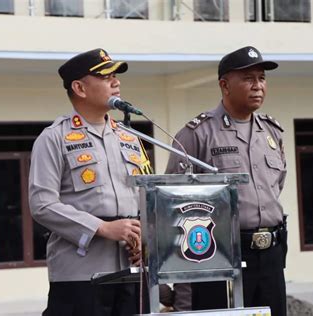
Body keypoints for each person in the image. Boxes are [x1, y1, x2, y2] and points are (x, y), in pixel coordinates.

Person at [166, 46, 288, 315]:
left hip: (271, 255)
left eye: (262, 78)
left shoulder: (271, 131)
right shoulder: (197, 134)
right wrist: (183, 286)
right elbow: (172, 207)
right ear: (224, 85)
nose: (258, 86)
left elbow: (275, 187)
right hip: (219, 256)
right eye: (248, 79)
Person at [29, 48, 151, 315]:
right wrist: (103, 228)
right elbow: (42, 205)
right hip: (81, 274)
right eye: (106, 76)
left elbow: (145, 198)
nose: (116, 82)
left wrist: (146, 239)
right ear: (80, 88)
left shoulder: (129, 138)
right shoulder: (54, 138)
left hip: (130, 270)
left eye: (116, 76)